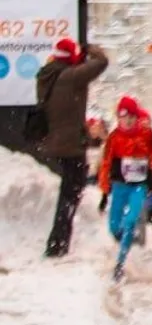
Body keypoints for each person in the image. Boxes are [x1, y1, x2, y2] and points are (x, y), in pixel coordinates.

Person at [36, 37, 109, 257]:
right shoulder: (70, 76)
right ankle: (57, 244)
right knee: (70, 194)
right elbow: (102, 62)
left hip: (55, 142)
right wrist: (90, 49)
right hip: (71, 146)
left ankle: (59, 242)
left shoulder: (47, 75)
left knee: (69, 192)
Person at [99, 96, 152, 282]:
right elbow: (106, 163)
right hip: (119, 186)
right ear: (118, 117)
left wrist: (151, 178)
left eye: (132, 116)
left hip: (138, 186)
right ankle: (123, 238)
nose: (129, 120)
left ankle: (120, 263)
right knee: (114, 225)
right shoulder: (113, 138)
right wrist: (104, 188)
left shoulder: (145, 135)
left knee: (131, 219)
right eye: (125, 116)